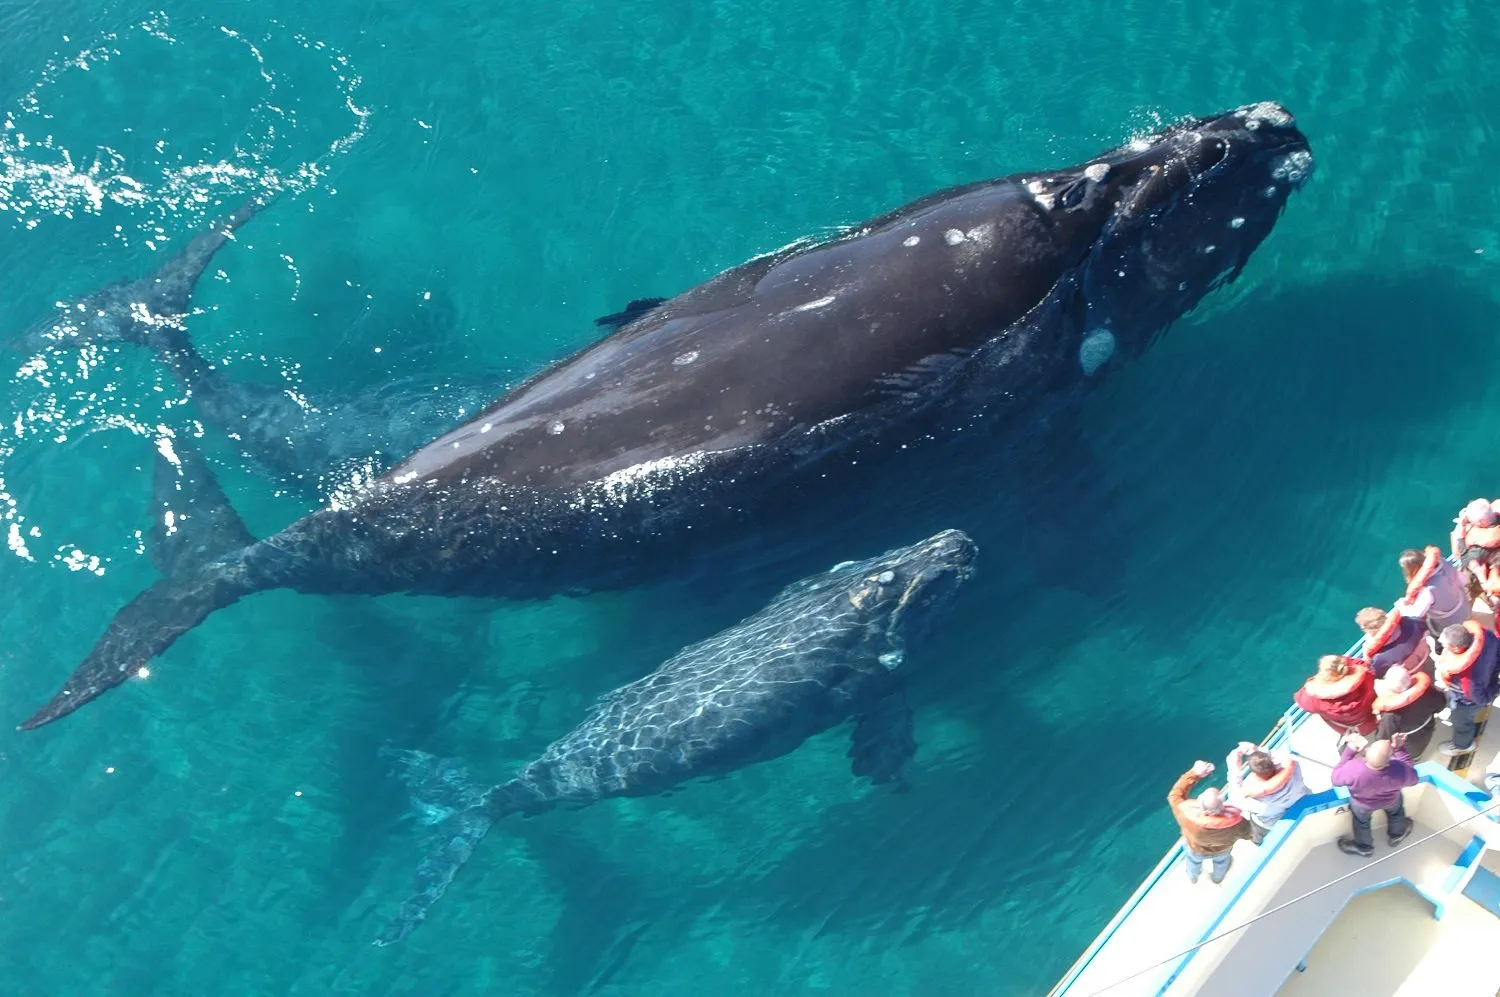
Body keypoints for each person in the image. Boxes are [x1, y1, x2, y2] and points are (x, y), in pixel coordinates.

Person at [1331, 733, 1418, 857]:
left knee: (1361, 823)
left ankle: (1365, 848)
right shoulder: (1398, 769)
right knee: (1396, 813)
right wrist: (1399, 749)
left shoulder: (1353, 769)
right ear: (1388, 762)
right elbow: (1414, 778)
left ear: (1366, 756)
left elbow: (1335, 779)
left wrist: (1349, 751)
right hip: (1391, 800)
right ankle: (1397, 836)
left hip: (1362, 805)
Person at [1168, 760, 1251, 884]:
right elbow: (1248, 833)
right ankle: (1217, 878)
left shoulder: (1185, 815)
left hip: (1196, 849)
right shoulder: (1236, 823)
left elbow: (1174, 795)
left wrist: (1194, 773)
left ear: (1200, 806)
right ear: (1223, 805)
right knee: (1221, 863)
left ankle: (1193, 877)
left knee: (1193, 862)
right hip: (1222, 850)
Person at [1434, 620, 1500, 757]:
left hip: (1466, 702)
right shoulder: (1487, 636)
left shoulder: (1468, 677)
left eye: (1445, 644)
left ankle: (1463, 745)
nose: (1441, 642)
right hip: (1489, 677)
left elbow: (1477, 697)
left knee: (1461, 721)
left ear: (1457, 649)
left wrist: (1489, 697)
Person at [1225, 741, 1307, 844]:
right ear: (1272, 763)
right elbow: (1284, 756)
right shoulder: (1293, 769)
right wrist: (1257, 751)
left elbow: (1234, 795)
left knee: (1259, 834)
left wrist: (1234, 766)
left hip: (1274, 824)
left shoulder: (1253, 798)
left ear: (1255, 773)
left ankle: (1259, 842)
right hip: (1303, 805)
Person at [1393, 545, 1471, 643]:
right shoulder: (1443, 562)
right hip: (1465, 610)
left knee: (1428, 624)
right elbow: (1464, 580)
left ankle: (1439, 645)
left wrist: (1401, 605)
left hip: (1450, 623)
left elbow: (1416, 614)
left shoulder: (1427, 589)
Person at [1372, 664, 1445, 759]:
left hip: (1409, 744)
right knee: (1418, 752)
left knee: (1410, 756)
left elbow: (1382, 738)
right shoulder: (1428, 692)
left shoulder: (1390, 715)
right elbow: (1441, 704)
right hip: (1426, 731)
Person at [1293, 654, 1377, 737]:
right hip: (1374, 718)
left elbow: (1299, 697)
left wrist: (1317, 681)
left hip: (1359, 730)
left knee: (1321, 712)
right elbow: (1362, 664)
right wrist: (1338, 663)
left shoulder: (1314, 701)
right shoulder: (1366, 676)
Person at [1355, 606, 1428, 678]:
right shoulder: (1411, 623)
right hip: (1428, 656)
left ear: (1370, 631)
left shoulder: (1379, 659)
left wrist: (1366, 656)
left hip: (1412, 676)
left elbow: (1375, 676)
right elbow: (1426, 625)